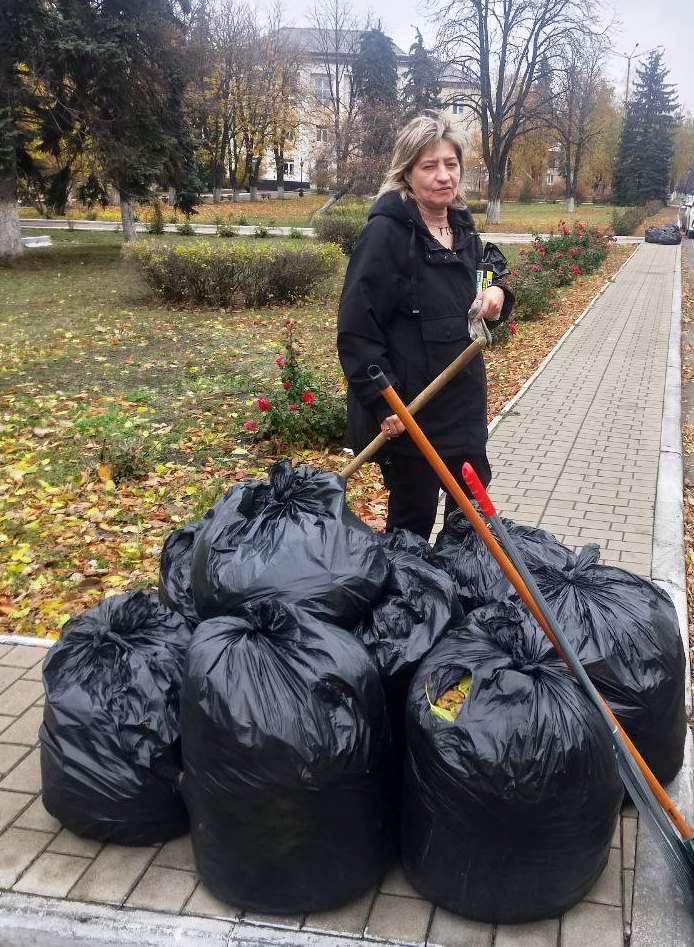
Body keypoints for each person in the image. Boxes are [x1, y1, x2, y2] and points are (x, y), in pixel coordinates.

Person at [337, 113, 514, 539]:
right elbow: (357, 327)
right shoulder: (387, 235)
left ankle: (459, 597)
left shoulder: (462, 227)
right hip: (412, 411)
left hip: (464, 404)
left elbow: (487, 275)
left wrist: (499, 296)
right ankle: (411, 601)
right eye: (429, 166)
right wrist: (384, 403)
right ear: (407, 173)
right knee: (412, 522)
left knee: (470, 520)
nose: (442, 176)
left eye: (450, 164)